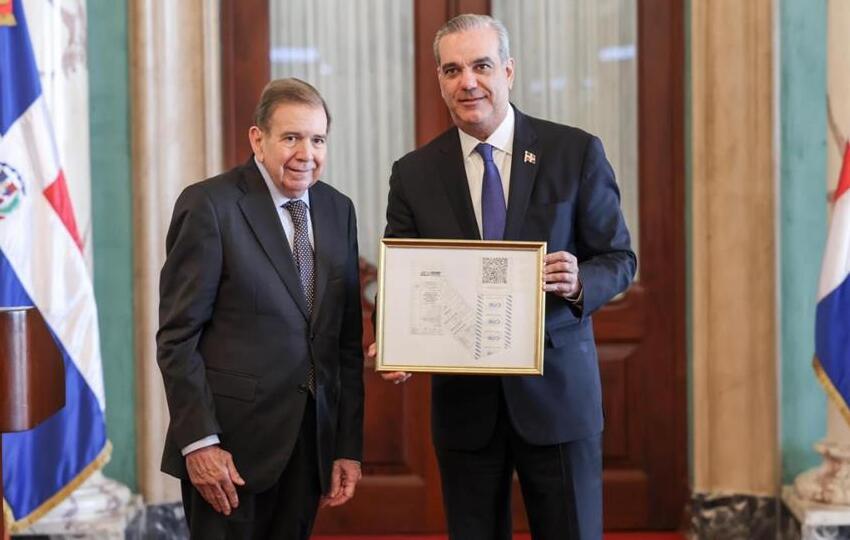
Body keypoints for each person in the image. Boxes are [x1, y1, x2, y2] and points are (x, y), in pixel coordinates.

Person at [377, 14, 636, 540]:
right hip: (465, 410)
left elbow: (619, 258)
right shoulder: (414, 174)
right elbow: (401, 275)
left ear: (509, 71)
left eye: (481, 65)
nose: (467, 81)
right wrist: (394, 335)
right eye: (452, 70)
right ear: (440, 80)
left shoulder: (574, 152)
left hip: (558, 397)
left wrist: (580, 281)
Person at [156, 78, 364, 539]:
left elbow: (344, 342)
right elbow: (177, 338)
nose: (305, 153)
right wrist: (200, 443)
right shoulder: (210, 205)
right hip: (229, 454)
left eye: (317, 139)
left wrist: (347, 446)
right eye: (290, 137)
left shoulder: (338, 210)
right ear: (258, 139)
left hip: (309, 447)